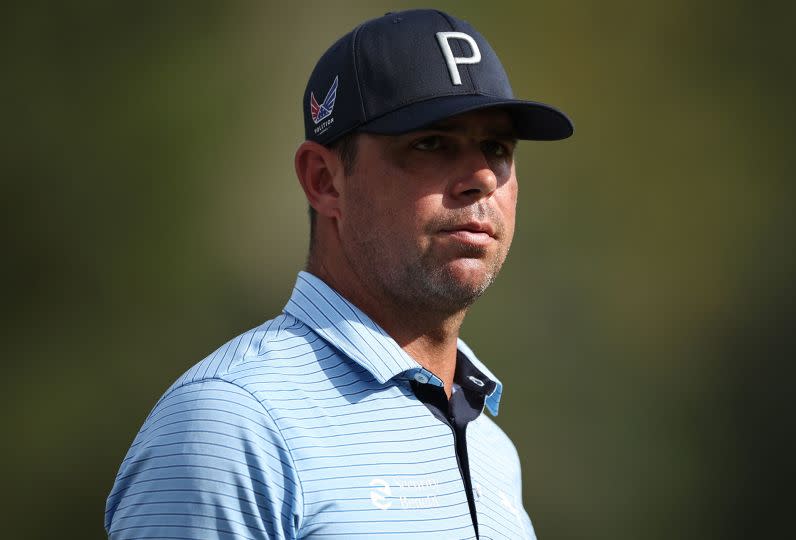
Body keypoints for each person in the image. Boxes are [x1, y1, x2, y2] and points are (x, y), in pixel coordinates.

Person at [104, 8, 572, 540]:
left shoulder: (493, 449)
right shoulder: (230, 423)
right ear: (324, 180)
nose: (483, 177)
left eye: (497, 147)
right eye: (432, 143)